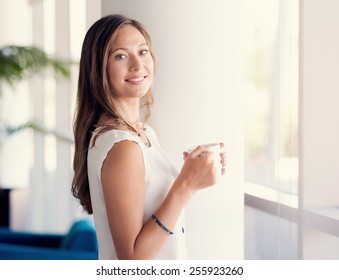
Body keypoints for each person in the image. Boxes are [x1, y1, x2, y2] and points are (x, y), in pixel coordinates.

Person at [71, 14, 226, 260]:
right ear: (98, 68)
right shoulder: (123, 146)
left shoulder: (143, 133)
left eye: (142, 52)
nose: (137, 65)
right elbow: (132, 261)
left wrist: (194, 174)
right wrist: (186, 184)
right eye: (120, 55)